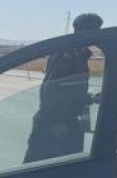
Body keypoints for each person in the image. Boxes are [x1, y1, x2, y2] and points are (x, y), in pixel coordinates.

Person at [23, 13, 104, 163]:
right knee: (38, 171)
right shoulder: (65, 54)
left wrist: (90, 98)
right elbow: (49, 90)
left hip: (69, 124)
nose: (98, 35)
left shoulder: (81, 54)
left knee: (66, 172)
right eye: (95, 30)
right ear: (84, 31)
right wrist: (56, 122)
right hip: (52, 127)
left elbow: (69, 90)